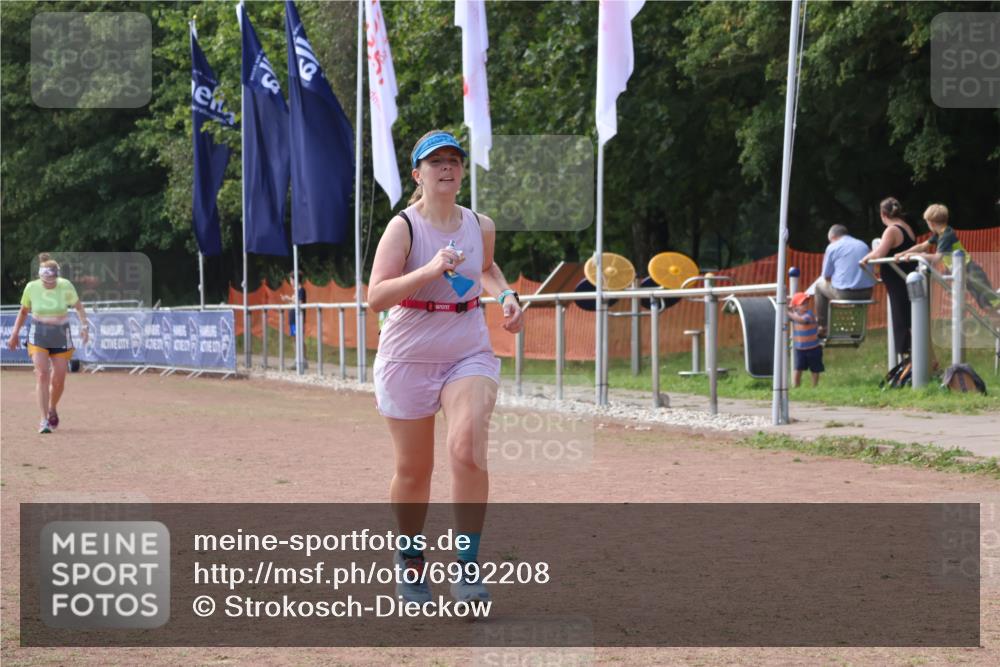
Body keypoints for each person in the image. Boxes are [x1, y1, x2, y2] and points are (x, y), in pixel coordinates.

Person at [367, 130, 523, 606]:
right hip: (408, 355)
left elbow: (487, 269)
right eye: (435, 162)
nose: (447, 167)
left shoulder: (480, 223)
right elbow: (376, 297)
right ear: (418, 174)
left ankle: (467, 565)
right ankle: (411, 561)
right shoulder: (405, 227)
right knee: (414, 470)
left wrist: (507, 295)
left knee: (467, 449)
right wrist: (430, 269)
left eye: (454, 159)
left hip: (466, 349)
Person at [6, 253, 90, 433]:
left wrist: (85, 326)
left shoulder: (65, 285)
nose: (49, 284)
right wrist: (14, 335)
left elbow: (79, 307)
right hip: (39, 334)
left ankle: (52, 407)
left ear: (57, 276)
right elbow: (23, 312)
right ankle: (43, 420)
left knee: (59, 379)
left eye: (52, 281)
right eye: (46, 281)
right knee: (42, 374)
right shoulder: (31, 287)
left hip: (61, 333)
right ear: (40, 276)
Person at [899, 204, 1000, 315]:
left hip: (971, 271)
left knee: (993, 302)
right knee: (987, 307)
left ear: (931, 223)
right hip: (963, 273)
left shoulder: (946, 235)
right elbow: (922, 246)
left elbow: (937, 258)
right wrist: (904, 253)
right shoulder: (939, 234)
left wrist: (917, 255)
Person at [860, 197, 917, 356]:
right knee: (908, 319)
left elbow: (880, 253)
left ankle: (914, 358)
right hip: (905, 276)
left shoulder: (891, 230)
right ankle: (920, 359)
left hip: (898, 279)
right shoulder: (907, 227)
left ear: (883, 214)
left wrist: (865, 259)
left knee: (903, 320)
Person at [812, 224, 876, 334]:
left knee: (818, 287)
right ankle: (856, 327)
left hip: (845, 293)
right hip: (867, 292)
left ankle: (823, 326)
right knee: (858, 281)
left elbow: (826, 276)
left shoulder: (833, 247)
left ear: (833, 237)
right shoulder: (863, 245)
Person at [788, 292, 824, 387]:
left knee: (815, 368)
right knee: (798, 368)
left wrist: (788, 312)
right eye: (802, 304)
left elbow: (802, 321)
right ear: (796, 307)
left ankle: (814, 386)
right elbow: (792, 317)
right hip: (800, 348)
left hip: (813, 347)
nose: (806, 305)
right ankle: (796, 385)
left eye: (807, 303)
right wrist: (788, 309)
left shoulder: (809, 314)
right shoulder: (794, 315)